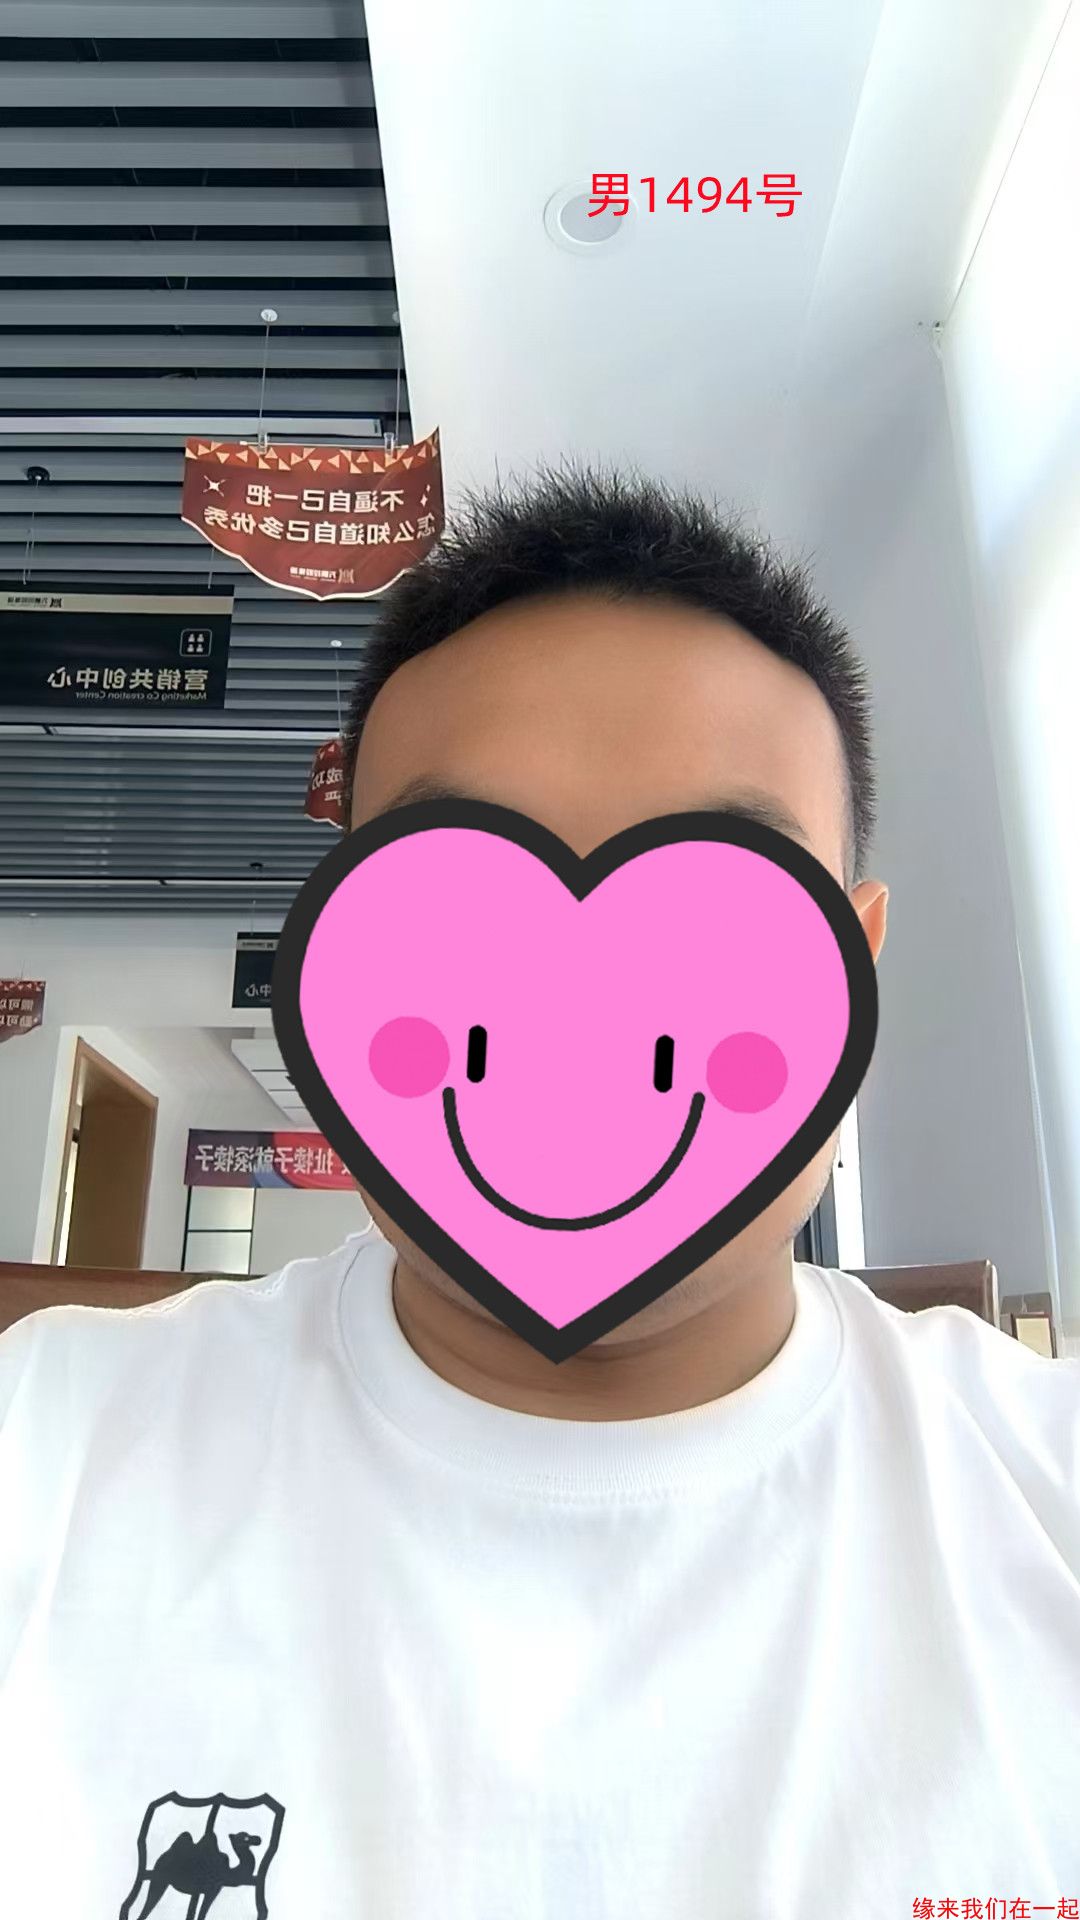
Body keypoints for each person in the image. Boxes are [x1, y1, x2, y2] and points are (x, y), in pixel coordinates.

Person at [2, 465, 1078, 1920]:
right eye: (457, 894)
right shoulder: (46, 1451)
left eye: (723, 902)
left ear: (853, 965)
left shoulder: (1045, 1501)